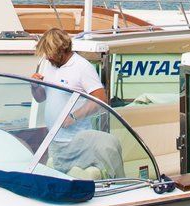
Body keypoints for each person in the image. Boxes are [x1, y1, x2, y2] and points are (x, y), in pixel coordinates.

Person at [31, 28, 124, 178]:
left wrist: (74, 116)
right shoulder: (49, 65)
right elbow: (40, 98)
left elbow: (100, 99)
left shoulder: (82, 67)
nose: (47, 58)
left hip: (76, 140)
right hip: (53, 139)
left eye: (50, 54)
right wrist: (34, 86)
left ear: (62, 50)